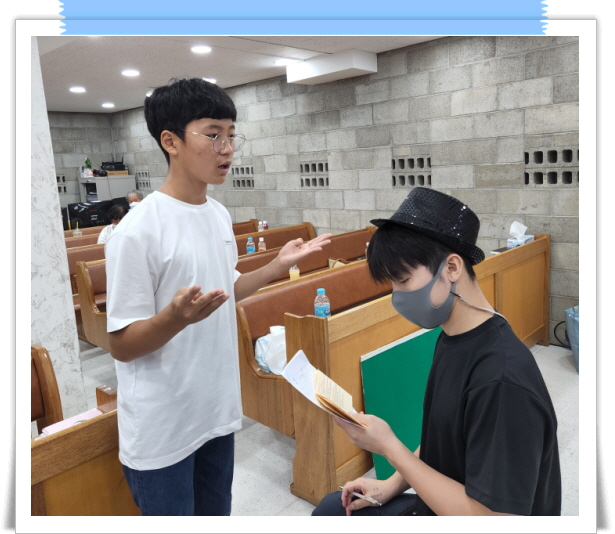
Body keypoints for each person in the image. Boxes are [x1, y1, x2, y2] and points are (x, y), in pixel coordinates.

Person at [104, 77, 331, 516]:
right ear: (170, 141)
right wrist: (174, 319)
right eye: (213, 135)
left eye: (231, 135)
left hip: (215, 411)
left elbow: (224, 291)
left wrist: (276, 267)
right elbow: (122, 345)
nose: (226, 149)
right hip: (163, 428)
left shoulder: (217, 214)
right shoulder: (137, 230)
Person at [312, 187, 561, 517]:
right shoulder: (452, 336)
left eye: (403, 280)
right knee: (332, 508)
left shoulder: (501, 381)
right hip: (437, 503)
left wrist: (390, 448)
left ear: (452, 268)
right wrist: (390, 484)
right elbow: (442, 439)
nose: (397, 297)